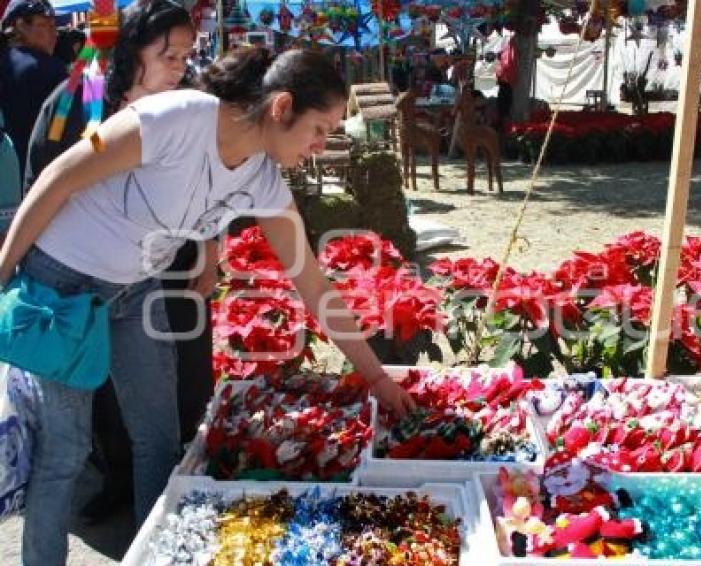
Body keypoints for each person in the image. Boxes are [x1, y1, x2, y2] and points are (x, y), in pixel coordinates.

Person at [0, 46, 416, 564]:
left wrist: (376, 378)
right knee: (65, 450)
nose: (321, 145)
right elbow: (57, 176)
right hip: (63, 281)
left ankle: (156, 554)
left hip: (133, 289)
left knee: (161, 437)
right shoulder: (173, 117)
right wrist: (2, 271)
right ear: (282, 106)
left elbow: (313, 285)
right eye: (320, 129)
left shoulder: (263, 180)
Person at [23, 0, 198, 525]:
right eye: (168, 54)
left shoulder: (184, 104)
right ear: (131, 49)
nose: (180, 66)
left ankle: (151, 525)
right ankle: (114, 481)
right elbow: (53, 173)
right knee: (78, 429)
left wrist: (207, 248)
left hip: (151, 277)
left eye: (184, 56)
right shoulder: (86, 97)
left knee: (158, 419)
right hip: (75, 280)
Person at [0, 0, 66, 182]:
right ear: (20, 27)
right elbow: (64, 131)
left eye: (55, 25)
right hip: (39, 181)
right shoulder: (52, 70)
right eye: (44, 25)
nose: (55, 33)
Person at [495, 36, 517, 130]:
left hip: (505, 85)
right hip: (505, 85)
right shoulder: (503, 61)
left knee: (504, 107)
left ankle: (503, 124)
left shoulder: (503, 60)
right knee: (504, 107)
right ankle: (503, 124)